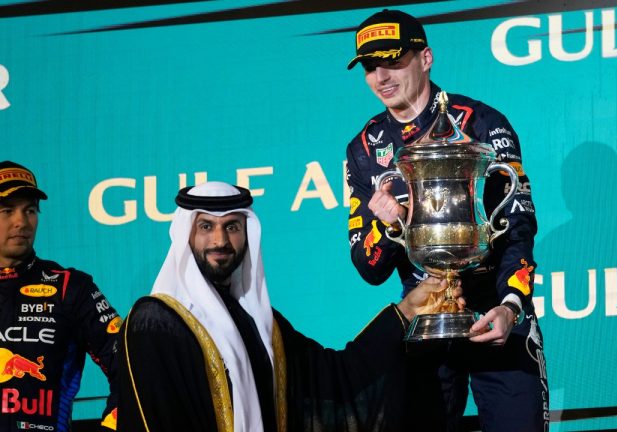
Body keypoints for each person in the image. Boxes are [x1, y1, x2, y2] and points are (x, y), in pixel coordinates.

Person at [117, 181, 462, 432]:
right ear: (186, 235)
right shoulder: (155, 322)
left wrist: (407, 311)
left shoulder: (263, 325)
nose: (220, 241)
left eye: (232, 227)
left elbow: (337, 379)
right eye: (206, 227)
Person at [345, 9, 548, 431]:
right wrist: (389, 225)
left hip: (496, 313)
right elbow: (369, 268)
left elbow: (519, 228)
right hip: (424, 325)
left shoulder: (483, 124)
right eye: (370, 66)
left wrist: (511, 306)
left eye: (393, 60)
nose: (381, 76)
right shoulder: (364, 150)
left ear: (426, 58)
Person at [0, 161, 120, 431]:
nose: (21, 221)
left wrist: (113, 425)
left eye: (30, 210)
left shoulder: (70, 287)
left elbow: (128, 365)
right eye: (7, 210)